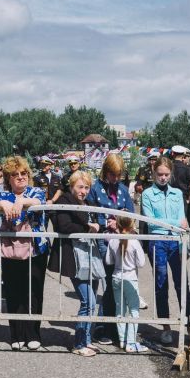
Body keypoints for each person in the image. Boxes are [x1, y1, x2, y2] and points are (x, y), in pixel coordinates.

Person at [0, 156, 49, 351]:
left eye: (23, 173)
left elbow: (38, 201)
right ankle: (16, 334)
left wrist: (21, 201)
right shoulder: (3, 194)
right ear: (8, 178)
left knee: (34, 292)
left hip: (36, 250)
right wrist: (3, 205)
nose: (20, 177)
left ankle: (33, 333)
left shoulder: (36, 191)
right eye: (15, 175)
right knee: (13, 293)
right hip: (10, 250)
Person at [48, 170, 102, 357]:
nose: (83, 191)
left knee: (91, 301)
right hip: (74, 256)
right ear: (72, 186)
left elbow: (97, 224)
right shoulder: (65, 200)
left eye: (87, 187)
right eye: (80, 187)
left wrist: (98, 226)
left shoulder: (88, 204)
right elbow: (63, 226)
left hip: (90, 256)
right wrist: (88, 228)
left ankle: (86, 339)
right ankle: (78, 344)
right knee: (88, 301)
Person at [87, 153, 135, 344]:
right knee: (109, 281)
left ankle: (115, 325)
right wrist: (108, 220)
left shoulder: (123, 189)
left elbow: (132, 215)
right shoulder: (95, 189)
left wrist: (124, 219)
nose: (116, 178)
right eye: (112, 174)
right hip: (103, 242)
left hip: (122, 243)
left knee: (119, 283)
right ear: (105, 171)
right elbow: (89, 213)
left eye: (118, 174)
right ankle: (106, 326)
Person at [141, 156, 190, 344]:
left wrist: (178, 226)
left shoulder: (177, 193)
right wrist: (176, 223)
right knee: (161, 284)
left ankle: (188, 325)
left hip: (176, 241)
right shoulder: (147, 194)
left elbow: (183, 220)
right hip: (158, 241)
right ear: (154, 173)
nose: (163, 178)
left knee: (182, 284)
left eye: (166, 174)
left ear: (171, 174)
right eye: (160, 174)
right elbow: (152, 222)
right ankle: (166, 326)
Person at [105, 216, 148, 352]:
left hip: (116, 275)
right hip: (130, 276)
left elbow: (108, 261)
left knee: (120, 309)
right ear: (131, 225)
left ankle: (122, 340)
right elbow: (141, 263)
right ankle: (131, 343)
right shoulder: (134, 241)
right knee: (134, 309)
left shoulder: (113, 240)